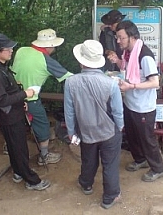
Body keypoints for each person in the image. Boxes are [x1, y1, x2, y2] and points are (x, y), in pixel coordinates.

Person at [64, 40, 124, 209]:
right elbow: (118, 112)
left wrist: (71, 131)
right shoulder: (110, 83)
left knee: (88, 159)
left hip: (85, 129)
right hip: (108, 130)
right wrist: (119, 126)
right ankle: (110, 196)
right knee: (110, 163)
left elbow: (69, 111)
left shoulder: (70, 82)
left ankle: (86, 183)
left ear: (81, 61)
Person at [0, 33, 50, 190]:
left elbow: (7, 94)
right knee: (20, 148)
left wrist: (21, 102)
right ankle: (32, 180)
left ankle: (18, 172)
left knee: (14, 145)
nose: (11, 51)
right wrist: (25, 94)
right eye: (7, 49)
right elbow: (2, 100)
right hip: (9, 117)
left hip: (12, 113)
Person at [107, 21, 163, 182]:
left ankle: (158, 168)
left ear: (132, 37)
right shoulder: (128, 54)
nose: (118, 41)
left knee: (147, 138)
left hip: (144, 107)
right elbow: (127, 69)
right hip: (130, 102)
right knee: (133, 136)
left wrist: (131, 86)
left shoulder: (144, 55)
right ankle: (141, 159)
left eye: (121, 37)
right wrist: (117, 62)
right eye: (117, 37)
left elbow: (155, 82)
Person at [11, 29, 73, 166]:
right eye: (54, 45)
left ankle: (9, 147)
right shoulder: (46, 60)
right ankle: (44, 156)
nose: (55, 48)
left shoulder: (21, 50)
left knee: (15, 124)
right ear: (50, 45)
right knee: (43, 126)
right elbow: (70, 78)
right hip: (30, 100)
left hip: (12, 96)